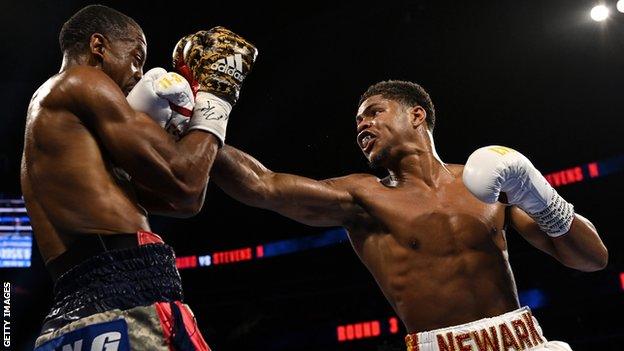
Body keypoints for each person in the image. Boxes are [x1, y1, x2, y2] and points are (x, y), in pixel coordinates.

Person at [207, 80, 607, 350]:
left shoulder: (487, 182)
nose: (362, 123)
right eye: (358, 121)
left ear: (417, 116)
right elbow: (263, 185)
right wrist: (201, 122)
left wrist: (539, 195)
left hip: (522, 341)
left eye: (374, 112)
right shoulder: (363, 196)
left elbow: (591, 259)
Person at [20, 4, 257, 350]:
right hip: (126, 294)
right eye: (136, 58)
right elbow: (185, 179)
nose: (139, 73)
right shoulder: (82, 82)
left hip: (73, 309)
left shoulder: (65, 132)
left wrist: (184, 130)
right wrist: (217, 95)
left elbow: (186, 200)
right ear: (98, 47)